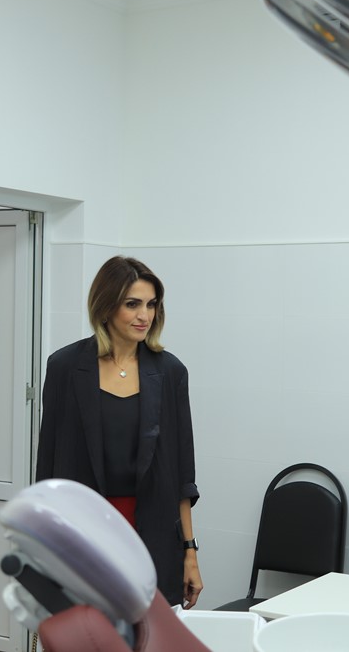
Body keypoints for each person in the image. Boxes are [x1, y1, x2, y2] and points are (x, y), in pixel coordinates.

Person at [36, 256, 204, 609]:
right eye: (132, 304)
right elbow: (48, 468)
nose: (145, 315)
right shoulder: (65, 367)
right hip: (82, 534)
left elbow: (182, 476)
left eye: (151, 305)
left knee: (145, 633)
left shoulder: (171, 372)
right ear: (106, 306)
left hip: (152, 536)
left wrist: (190, 552)